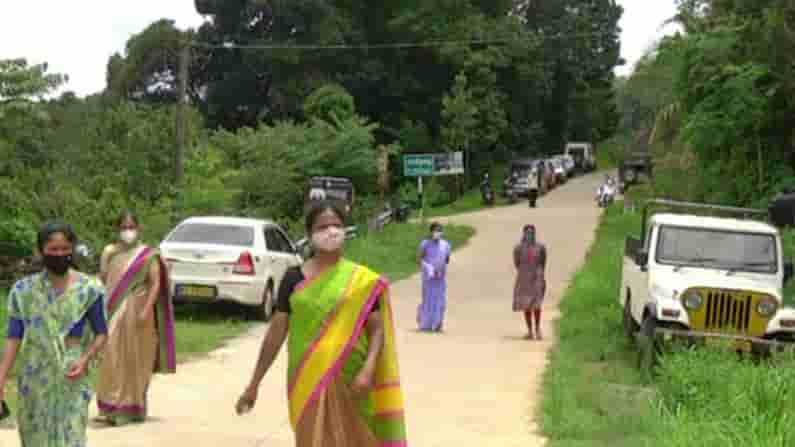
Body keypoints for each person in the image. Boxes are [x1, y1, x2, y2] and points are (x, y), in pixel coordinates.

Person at [235, 201, 407, 446]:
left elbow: (377, 328)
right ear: (309, 235)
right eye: (323, 226)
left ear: (345, 230)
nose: (331, 231)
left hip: (353, 379)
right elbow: (276, 333)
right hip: (307, 379)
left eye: (337, 225)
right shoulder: (293, 279)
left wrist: (368, 370)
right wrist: (254, 384)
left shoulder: (362, 282)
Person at [0, 221, 109, 446]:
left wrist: (84, 359)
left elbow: (101, 333)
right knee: (35, 436)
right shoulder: (23, 291)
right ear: (41, 252)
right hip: (35, 376)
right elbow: (14, 338)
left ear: (72, 249)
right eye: (53, 250)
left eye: (65, 249)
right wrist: (1, 378)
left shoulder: (90, 289)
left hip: (72, 375)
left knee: (71, 436)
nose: (60, 254)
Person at [95, 210, 176, 425]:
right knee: (110, 356)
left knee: (136, 358)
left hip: (139, 314)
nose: (127, 231)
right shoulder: (110, 252)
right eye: (124, 227)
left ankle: (132, 407)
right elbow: (104, 279)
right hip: (113, 311)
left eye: (131, 227)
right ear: (117, 229)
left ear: (138, 229)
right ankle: (111, 406)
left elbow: (155, 283)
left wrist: (145, 310)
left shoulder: (148, 255)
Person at [513, 224, 547, 340]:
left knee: (537, 304)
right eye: (527, 233)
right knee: (526, 305)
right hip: (524, 279)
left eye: (532, 233)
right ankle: (530, 331)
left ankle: (538, 329)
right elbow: (517, 264)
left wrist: (540, 276)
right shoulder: (518, 248)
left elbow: (543, 263)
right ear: (524, 234)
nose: (530, 235)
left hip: (537, 278)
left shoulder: (540, 247)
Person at [416, 222, 452, 332]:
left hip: (440, 277)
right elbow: (419, 259)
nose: (438, 233)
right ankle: (425, 323)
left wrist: (440, 268)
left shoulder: (446, 245)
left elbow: (447, 259)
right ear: (431, 232)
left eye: (440, 231)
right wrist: (429, 268)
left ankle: (438, 323)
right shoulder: (425, 244)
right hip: (428, 278)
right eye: (436, 231)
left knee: (440, 300)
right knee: (428, 300)